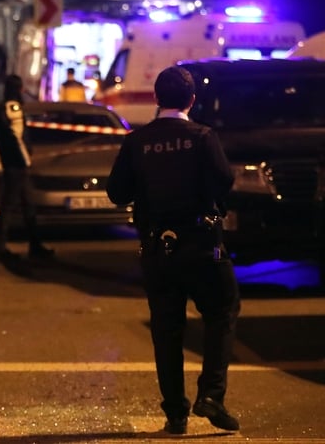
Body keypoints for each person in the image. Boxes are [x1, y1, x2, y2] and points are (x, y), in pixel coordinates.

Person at [106, 66, 241, 435]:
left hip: (157, 248)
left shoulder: (138, 142)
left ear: (156, 98)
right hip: (202, 246)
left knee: (167, 331)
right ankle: (211, 395)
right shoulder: (202, 137)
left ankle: (176, 414)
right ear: (191, 100)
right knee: (222, 311)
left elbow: (117, 192)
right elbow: (223, 182)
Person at [0, 74, 54, 260]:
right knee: (9, 204)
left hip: (12, 161)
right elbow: (17, 137)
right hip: (16, 162)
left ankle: (33, 244)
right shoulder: (13, 109)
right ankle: (0, 246)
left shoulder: (2, 108)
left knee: (26, 204)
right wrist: (25, 156)